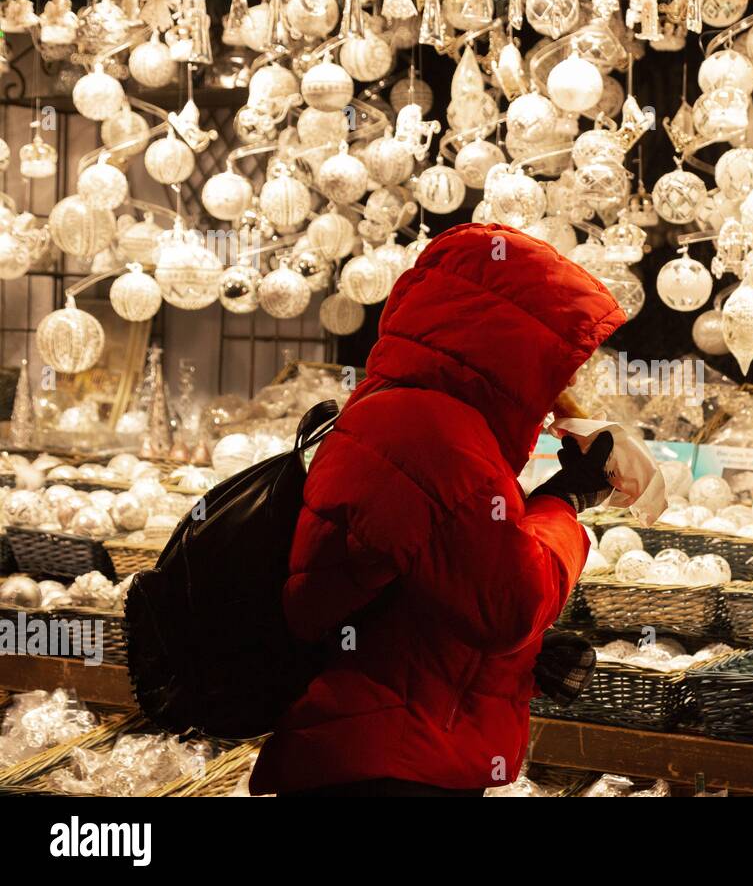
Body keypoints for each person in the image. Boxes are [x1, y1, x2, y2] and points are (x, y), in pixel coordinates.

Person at [249, 223, 626, 796]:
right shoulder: (433, 432)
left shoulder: (411, 413)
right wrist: (565, 502)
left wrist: (522, 661)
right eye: (561, 356)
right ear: (509, 344)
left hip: (382, 743)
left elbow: (437, 583)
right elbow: (507, 605)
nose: (569, 378)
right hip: (386, 762)